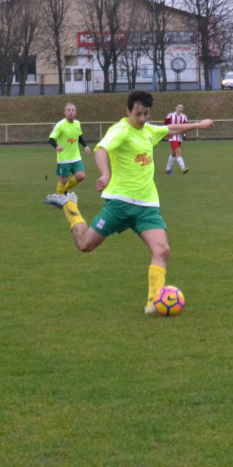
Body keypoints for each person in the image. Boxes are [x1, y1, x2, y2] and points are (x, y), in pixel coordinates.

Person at [43, 90, 213, 314]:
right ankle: (69, 205)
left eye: (146, 114)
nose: (142, 119)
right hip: (120, 204)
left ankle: (153, 303)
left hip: (147, 205)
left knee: (162, 250)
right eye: (138, 114)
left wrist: (198, 125)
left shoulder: (149, 130)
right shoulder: (121, 130)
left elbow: (170, 129)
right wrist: (105, 173)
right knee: (84, 245)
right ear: (128, 111)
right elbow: (101, 150)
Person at [49, 102, 89, 195]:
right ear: (65, 113)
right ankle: (59, 197)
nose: (71, 112)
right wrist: (57, 146)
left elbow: (79, 137)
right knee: (64, 179)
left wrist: (85, 146)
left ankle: (65, 189)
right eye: (69, 110)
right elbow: (51, 139)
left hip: (76, 157)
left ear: (76, 113)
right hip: (64, 158)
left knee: (81, 176)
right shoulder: (60, 125)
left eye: (73, 110)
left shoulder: (77, 123)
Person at [164, 103, 190, 174]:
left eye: (181, 107)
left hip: (179, 137)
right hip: (172, 136)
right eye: (179, 107)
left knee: (174, 153)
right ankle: (183, 168)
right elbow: (165, 124)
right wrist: (165, 133)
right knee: (178, 152)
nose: (180, 109)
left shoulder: (184, 117)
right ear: (175, 107)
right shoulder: (170, 115)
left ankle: (167, 169)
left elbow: (185, 127)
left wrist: (184, 134)